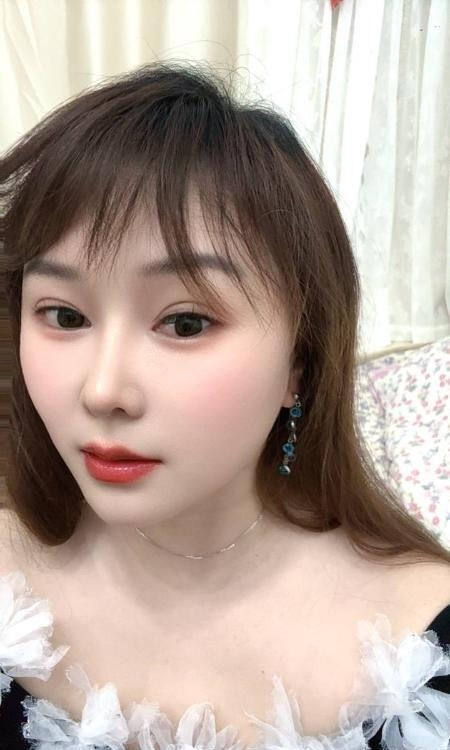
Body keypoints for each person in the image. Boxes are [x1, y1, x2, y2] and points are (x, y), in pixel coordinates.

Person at [0, 61, 448, 750]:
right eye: (63, 315)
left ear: (300, 364)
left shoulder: (424, 647)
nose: (102, 390)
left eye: (185, 323)